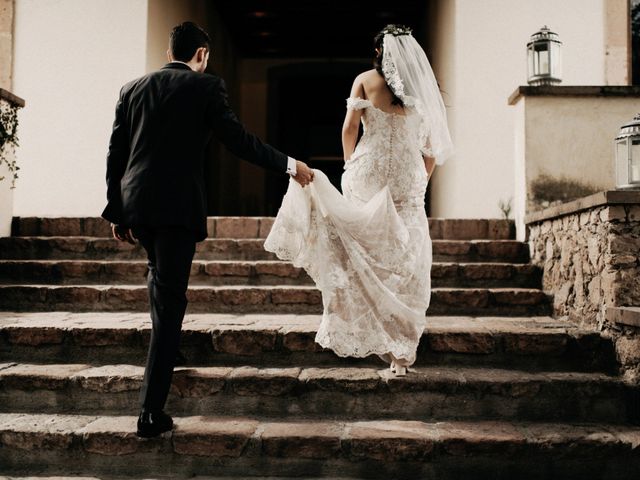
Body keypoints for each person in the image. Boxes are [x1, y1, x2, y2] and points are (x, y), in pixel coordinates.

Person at [101, 21, 314, 438]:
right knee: (168, 301)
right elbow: (239, 141)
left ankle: (163, 352)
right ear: (201, 55)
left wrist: (116, 211)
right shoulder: (206, 88)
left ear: (169, 51)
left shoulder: (132, 88)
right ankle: (149, 411)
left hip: (139, 206)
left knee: (161, 289)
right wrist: (291, 166)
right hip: (177, 209)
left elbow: (116, 153)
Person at [265, 24, 453, 377]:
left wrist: (351, 163)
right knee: (406, 258)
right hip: (407, 177)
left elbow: (350, 127)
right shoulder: (424, 91)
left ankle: (367, 320)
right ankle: (400, 353)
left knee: (361, 241)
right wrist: (421, 180)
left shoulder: (365, 79)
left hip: (370, 171)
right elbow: (432, 146)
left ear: (380, 52)